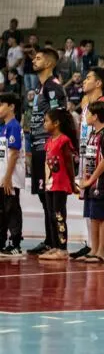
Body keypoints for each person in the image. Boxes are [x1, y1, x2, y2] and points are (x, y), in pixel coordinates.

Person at [71, 67, 104, 261]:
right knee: (89, 207)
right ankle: (92, 246)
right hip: (86, 160)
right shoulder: (86, 105)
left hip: (99, 165)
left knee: (100, 209)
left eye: (88, 78)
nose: (84, 81)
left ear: (98, 83)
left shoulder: (103, 106)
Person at [26, 48, 68, 257]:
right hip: (38, 147)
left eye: (39, 58)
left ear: (50, 63)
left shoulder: (53, 87)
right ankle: (50, 241)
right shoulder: (43, 87)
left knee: (53, 199)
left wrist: (55, 147)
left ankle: (59, 245)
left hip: (49, 150)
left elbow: (60, 117)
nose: (34, 60)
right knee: (44, 198)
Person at [37, 109, 79, 261]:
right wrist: (44, 181)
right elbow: (46, 164)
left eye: (46, 121)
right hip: (50, 184)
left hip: (60, 184)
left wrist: (73, 183)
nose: (44, 123)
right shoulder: (49, 141)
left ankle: (62, 248)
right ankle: (54, 246)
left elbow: (69, 164)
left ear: (56, 123)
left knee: (59, 216)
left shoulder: (64, 140)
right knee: (51, 216)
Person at [78, 101, 104, 264]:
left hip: (101, 182)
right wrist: (84, 178)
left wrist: (91, 179)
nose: (85, 117)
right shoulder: (92, 135)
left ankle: (102, 251)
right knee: (93, 216)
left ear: (95, 116)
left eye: (87, 114)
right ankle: (94, 249)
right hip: (91, 182)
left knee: (102, 215)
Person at [0, 93, 24, 258]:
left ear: (11, 107)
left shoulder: (14, 126)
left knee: (12, 209)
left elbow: (14, 154)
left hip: (11, 179)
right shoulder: (2, 127)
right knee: (2, 211)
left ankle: (15, 244)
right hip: (3, 178)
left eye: (1, 105)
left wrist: (8, 177)